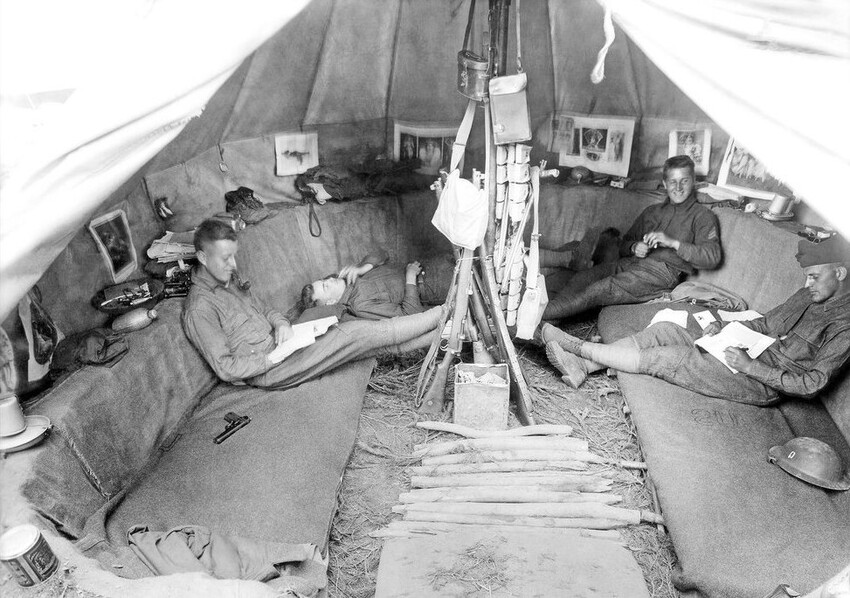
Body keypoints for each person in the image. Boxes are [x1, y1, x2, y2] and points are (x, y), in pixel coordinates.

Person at [543, 235, 850, 404]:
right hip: (742, 350)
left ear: (839, 274)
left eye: (813, 277)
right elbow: (765, 324)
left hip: (762, 381)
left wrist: (751, 367)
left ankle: (577, 348)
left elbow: (813, 384)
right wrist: (726, 328)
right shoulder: (807, 294)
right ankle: (582, 366)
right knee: (665, 329)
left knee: (672, 358)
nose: (807, 284)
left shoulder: (845, 325)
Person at [182, 219, 443, 390]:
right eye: (226, 259)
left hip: (284, 344)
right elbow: (225, 367)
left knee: (361, 348)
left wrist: (282, 324)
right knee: (353, 333)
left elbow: (266, 311)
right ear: (203, 257)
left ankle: (443, 331)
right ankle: (442, 314)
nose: (234, 265)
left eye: (234, 257)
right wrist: (271, 358)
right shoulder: (200, 309)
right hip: (271, 370)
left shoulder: (231, 281)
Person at [543, 155, 721, 322]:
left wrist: (673, 243)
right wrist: (634, 247)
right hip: (630, 263)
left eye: (684, 181)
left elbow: (712, 257)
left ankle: (538, 316)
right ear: (665, 184)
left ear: (694, 182)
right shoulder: (652, 211)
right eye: (673, 182)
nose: (678, 187)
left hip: (662, 273)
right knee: (585, 277)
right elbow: (623, 245)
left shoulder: (702, 216)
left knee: (603, 288)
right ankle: (549, 317)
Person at [299, 250, 424, 321]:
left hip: (424, 262)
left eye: (324, 280)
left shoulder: (352, 275)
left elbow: (383, 253)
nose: (331, 279)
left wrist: (363, 267)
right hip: (429, 285)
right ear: (331, 302)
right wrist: (411, 276)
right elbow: (410, 313)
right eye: (326, 286)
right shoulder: (360, 305)